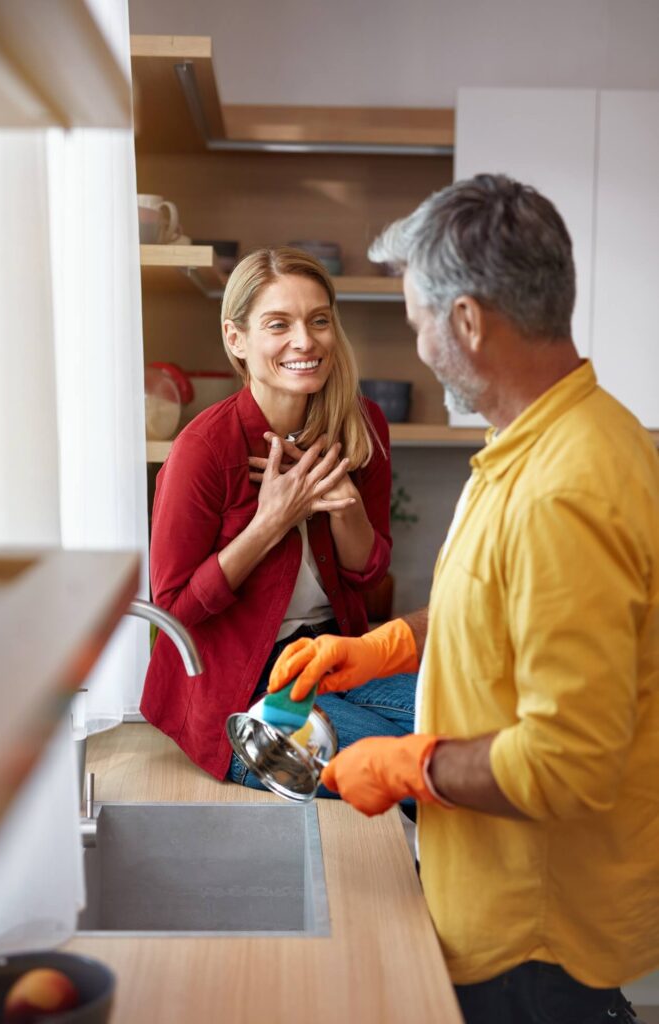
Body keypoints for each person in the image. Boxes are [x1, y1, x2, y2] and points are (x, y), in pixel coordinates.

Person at [269, 176, 659, 1023]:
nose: (421, 348)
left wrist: (406, 765)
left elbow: (566, 762)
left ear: (469, 322)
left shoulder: (566, 487)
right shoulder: (533, 443)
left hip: (536, 939)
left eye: (420, 324)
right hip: (500, 906)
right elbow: (498, 609)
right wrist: (389, 646)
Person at [140, 247, 417, 794]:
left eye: (319, 321)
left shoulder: (361, 424)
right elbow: (173, 610)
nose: (305, 341)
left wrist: (346, 505)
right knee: (406, 770)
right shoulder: (204, 449)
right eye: (278, 324)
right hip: (246, 690)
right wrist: (271, 522)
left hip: (334, 658)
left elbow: (368, 571)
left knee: (467, 730)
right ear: (236, 339)